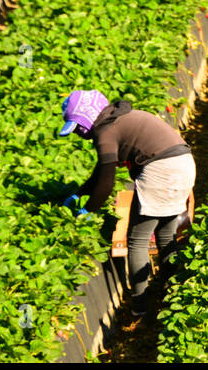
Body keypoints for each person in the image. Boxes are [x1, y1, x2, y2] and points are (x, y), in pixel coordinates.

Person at [58, 90, 196, 316]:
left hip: (161, 171)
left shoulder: (105, 131)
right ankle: (175, 294)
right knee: (165, 236)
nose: (79, 135)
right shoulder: (118, 119)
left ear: (86, 120)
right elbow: (102, 170)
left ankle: (140, 306)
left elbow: (106, 182)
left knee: (137, 239)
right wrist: (79, 193)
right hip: (183, 165)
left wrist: (87, 209)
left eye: (78, 128)